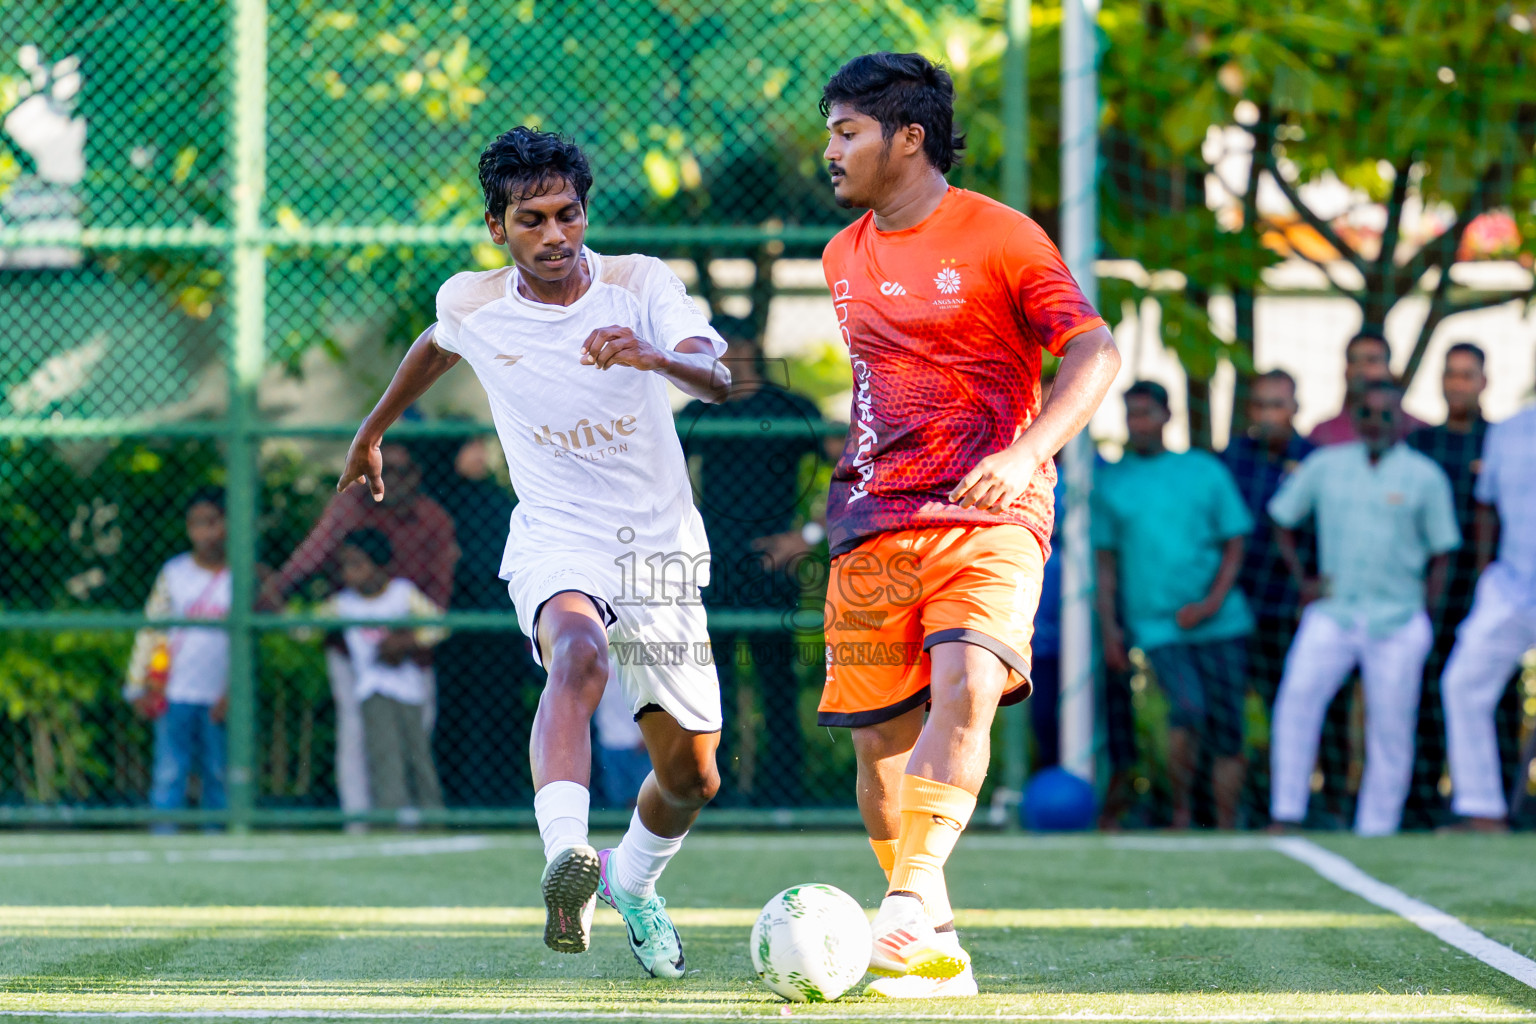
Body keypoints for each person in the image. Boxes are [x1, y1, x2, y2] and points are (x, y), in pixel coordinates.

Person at [335, 127, 730, 978]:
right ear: (497, 227)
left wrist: (654, 355)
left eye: (568, 214)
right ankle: (566, 862)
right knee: (577, 654)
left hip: (658, 551)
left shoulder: (639, 285)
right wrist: (373, 430)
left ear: (586, 213)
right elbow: (437, 345)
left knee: (694, 777)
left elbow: (716, 374)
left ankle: (632, 881)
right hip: (559, 533)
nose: (554, 235)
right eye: (531, 219)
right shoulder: (473, 301)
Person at [816, 52, 1119, 999]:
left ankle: (902, 906)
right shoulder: (841, 256)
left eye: (846, 132)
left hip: (994, 513)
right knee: (878, 755)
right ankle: (934, 939)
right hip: (874, 522)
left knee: (970, 680)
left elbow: (1095, 352)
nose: (829, 151)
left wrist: (1027, 456)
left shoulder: (1004, 237)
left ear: (907, 138)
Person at [1268, 380, 1460, 835]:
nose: (1376, 423)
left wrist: (1426, 614)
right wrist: (1304, 582)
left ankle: (1378, 829)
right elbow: (1282, 519)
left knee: (1390, 727)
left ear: (1403, 420)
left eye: (1386, 414)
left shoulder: (1425, 475)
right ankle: (1285, 814)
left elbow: (1443, 551)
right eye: (1368, 414)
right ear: (1355, 418)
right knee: (1295, 702)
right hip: (1332, 612)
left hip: (1398, 617)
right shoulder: (1325, 464)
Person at [262, 442, 458, 822]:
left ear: (417, 476)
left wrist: (409, 639)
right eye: (382, 469)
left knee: (416, 736)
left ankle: (422, 819)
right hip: (353, 651)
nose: (389, 478)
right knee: (356, 737)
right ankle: (362, 821)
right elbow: (313, 554)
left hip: (412, 656)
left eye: (401, 470)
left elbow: (440, 600)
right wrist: (279, 591)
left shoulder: (433, 520)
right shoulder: (351, 504)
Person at [678, 314, 827, 807]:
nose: (720, 359)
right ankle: (710, 795)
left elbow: (856, 464)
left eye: (726, 348)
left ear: (747, 349)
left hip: (772, 568)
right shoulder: (697, 411)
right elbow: (651, 470)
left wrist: (809, 534)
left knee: (777, 682)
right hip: (711, 569)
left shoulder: (790, 408)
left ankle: (783, 797)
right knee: (705, 687)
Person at [1094, 381, 1254, 831]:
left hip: (1222, 623)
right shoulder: (1112, 483)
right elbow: (1106, 565)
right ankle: (1180, 811)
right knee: (1187, 708)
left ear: (1168, 416)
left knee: (1228, 727)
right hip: (1158, 627)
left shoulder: (1204, 470)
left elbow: (1235, 542)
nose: (1138, 423)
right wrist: (1111, 629)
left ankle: (1226, 822)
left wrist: (1210, 603)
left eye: (1147, 413)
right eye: (1132, 414)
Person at [417, 431, 540, 806]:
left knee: (498, 713)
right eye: (470, 447)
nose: (480, 455)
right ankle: (456, 798)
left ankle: (496, 796)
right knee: (454, 712)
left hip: (498, 627)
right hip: (454, 632)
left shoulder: (498, 500)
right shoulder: (439, 504)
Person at [1219, 370, 1317, 824]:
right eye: (1260, 405)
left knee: (1293, 708)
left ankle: (1305, 804)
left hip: (1292, 610)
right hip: (1234, 608)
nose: (1268, 414)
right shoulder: (1232, 459)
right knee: (1232, 713)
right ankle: (1227, 811)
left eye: (1277, 404)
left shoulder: (1314, 459)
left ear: (1294, 408)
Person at [1405, 342, 1494, 825]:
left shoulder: (1499, 441)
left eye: (1467, 374)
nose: (1458, 383)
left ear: (1484, 381)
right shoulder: (1420, 444)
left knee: (1490, 696)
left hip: (1489, 594)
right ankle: (1422, 803)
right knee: (1425, 693)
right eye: (1451, 374)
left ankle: (1490, 804)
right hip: (1429, 594)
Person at [1441, 394, 1536, 831]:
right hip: (1512, 585)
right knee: (1461, 684)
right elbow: (1487, 505)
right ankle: (1482, 810)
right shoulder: (1507, 430)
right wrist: (1485, 576)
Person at [125, 487, 232, 830]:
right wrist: (139, 683)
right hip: (175, 693)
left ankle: (220, 845)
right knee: (170, 772)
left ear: (229, 524)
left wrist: (232, 692)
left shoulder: (241, 576)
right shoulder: (174, 573)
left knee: (219, 773)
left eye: (212, 522)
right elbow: (153, 631)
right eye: (195, 524)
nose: (204, 533)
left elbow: (245, 645)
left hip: (218, 695)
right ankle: (164, 841)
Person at [322, 529, 446, 817]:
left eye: (357, 565)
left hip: (410, 688)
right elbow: (304, 627)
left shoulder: (402, 593)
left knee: (419, 756)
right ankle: (392, 820)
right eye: (345, 567)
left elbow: (439, 625)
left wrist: (406, 642)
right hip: (372, 688)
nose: (349, 575)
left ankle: (433, 818)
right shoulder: (344, 604)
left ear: (380, 565)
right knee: (385, 755)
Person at [1308, 332, 1426, 446]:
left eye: (1371, 360)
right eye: (1353, 361)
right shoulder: (1322, 433)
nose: (1360, 369)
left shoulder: (1419, 431)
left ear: (1389, 370)